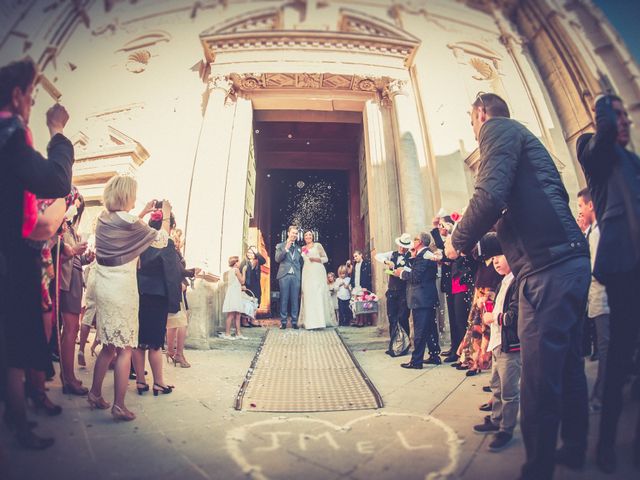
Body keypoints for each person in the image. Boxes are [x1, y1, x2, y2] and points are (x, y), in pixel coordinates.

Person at [445, 92, 590, 479]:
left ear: (479, 112)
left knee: (539, 376)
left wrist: (456, 240)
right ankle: (574, 448)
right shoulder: (521, 144)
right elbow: (511, 218)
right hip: (567, 261)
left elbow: (489, 195)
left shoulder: (498, 129)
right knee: (569, 365)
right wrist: (476, 243)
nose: (474, 131)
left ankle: (537, 468)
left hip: (547, 269)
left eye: (471, 122)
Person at [0, 58, 74, 449]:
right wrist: (58, 132)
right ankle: (19, 420)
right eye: (29, 95)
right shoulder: (10, 135)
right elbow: (57, 180)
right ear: (17, 96)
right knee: (16, 340)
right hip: (13, 257)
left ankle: (18, 418)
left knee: (13, 344)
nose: (31, 102)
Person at [577, 93, 640, 473]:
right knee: (617, 360)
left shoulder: (634, 161)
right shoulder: (593, 152)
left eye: (625, 117)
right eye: (613, 116)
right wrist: (605, 108)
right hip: (621, 267)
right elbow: (601, 137)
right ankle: (604, 445)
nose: (623, 122)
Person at [88, 176, 170, 421]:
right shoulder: (131, 222)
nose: (137, 198)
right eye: (134, 193)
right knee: (125, 348)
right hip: (122, 289)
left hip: (104, 287)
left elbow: (128, 225)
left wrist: (143, 212)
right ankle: (119, 405)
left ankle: (94, 393)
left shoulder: (103, 218)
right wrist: (165, 214)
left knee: (107, 346)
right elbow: (161, 240)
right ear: (126, 195)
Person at [472, 234, 521, 453]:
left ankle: (506, 428)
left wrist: (494, 317)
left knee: (509, 391)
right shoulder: (503, 281)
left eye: (499, 256)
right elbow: (501, 307)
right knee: (496, 384)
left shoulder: (518, 280)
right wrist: (489, 303)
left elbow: (515, 315)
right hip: (498, 343)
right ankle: (496, 418)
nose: (496, 262)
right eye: (493, 259)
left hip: (510, 345)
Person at [132, 209, 184, 397]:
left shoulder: (140, 240)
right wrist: (174, 301)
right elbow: (172, 274)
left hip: (138, 292)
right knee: (155, 343)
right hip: (157, 295)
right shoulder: (166, 242)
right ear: (168, 225)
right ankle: (159, 383)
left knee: (139, 341)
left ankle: (140, 381)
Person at [577, 188, 609, 413]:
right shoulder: (595, 231)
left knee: (606, 348)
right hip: (597, 299)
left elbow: (598, 269)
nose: (579, 210)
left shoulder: (597, 232)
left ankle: (602, 396)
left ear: (590, 206)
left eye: (580, 206)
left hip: (603, 299)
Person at [58, 191, 93, 395]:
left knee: (72, 328)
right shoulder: (60, 225)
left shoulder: (70, 227)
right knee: (71, 328)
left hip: (75, 278)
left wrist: (86, 257)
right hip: (67, 280)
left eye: (79, 205)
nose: (77, 207)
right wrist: (73, 251)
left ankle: (68, 375)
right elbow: (59, 254)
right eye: (75, 202)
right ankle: (68, 378)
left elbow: (73, 257)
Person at [395, 232, 440, 369]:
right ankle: (434, 355)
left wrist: (401, 273)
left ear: (419, 242)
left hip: (421, 299)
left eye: (415, 239)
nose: (412, 242)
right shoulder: (424, 255)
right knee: (430, 329)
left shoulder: (424, 256)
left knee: (420, 331)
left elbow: (416, 277)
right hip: (427, 298)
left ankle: (416, 361)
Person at [375, 233, 411, 357]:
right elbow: (377, 256)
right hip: (392, 291)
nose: (401, 248)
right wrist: (387, 262)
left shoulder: (411, 257)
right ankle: (393, 344)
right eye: (400, 245)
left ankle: (405, 345)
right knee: (392, 318)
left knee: (403, 318)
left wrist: (403, 271)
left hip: (404, 292)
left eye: (404, 246)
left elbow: (412, 272)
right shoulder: (392, 254)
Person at [299, 230, 336, 330]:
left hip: (318, 271)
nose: (308, 236)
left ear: (313, 236)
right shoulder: (303, 248)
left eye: (310, 235)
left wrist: (316, 259)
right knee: (308, 294)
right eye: (306, 235)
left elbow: (326, 258)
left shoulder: (317, 245)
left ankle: (320, 321)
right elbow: (304, 259)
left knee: (318, 294)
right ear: (304, 237)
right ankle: (309, 322)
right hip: (307, 272)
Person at [274, 226, 303, 329]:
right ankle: (283, 322)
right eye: (293, 233)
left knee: (295, 299)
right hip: (284, 275)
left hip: (295, 275)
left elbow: (304, 261)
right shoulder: (280, 246)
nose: (294, 235)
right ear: (288, 233)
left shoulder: (299, 248)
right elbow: (277, 259)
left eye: (296, 233)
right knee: (284, 299)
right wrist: (286, 248)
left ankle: (294, 321)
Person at [221, 256, 246, 340]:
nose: (240, 263)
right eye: (239, 262)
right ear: (235, 263)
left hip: (233, 293)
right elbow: (242, 281)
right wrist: (244, 271)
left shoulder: (230, 271)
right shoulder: (236, 270)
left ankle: (238, 333)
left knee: (234, 314)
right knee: (233, 314)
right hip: (234, 294)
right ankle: (228, 334)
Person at [240, 245, 265, 327]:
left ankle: (252, 319)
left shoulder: (258, 261)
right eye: (249, 252)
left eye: (252, 252)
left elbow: (263, 260)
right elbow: (241, 273)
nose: (250, 254)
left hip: (256, 284)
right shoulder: (244, 262)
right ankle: (244, 320)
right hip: (247, 284)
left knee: (256, 300)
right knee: (247, 301)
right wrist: (242, 285)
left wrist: (257, 251)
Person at [348, 250, 373, 327]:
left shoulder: (366, 263)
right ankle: (357, 320)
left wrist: (365, 286)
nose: (355, 258)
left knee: (362, 303)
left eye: (356, 256)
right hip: (356, 286)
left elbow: (367, 275)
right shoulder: (355, 264)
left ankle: (363, 321)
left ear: (361, 255)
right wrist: (352, 285)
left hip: (362, 286)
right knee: (355, 303)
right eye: (354, 257)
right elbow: (352, 275)